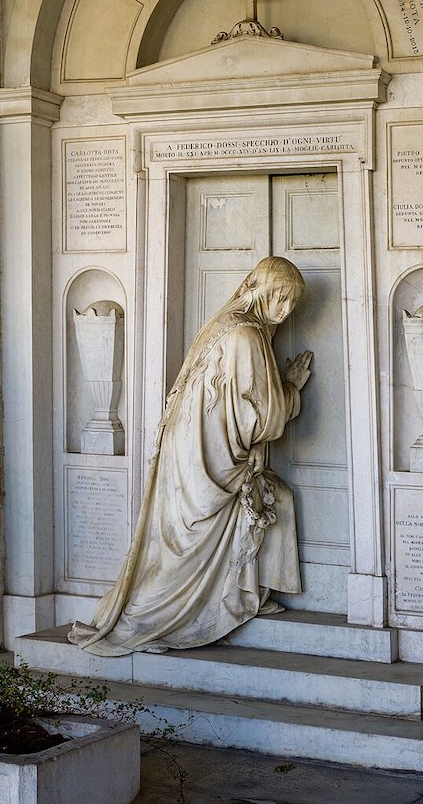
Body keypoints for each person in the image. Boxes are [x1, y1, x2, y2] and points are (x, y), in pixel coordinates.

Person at [68, 256, 313, 656]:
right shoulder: (247, 336)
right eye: (280, 299)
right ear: (260, 291)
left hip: (188, 451)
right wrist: (292, 388)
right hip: (212, 460)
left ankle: (242, 590)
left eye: (292, 304)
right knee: (259, 507)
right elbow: (265, 419)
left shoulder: (223, 326)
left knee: (189, 533)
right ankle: (185, 609)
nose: (285, 311)